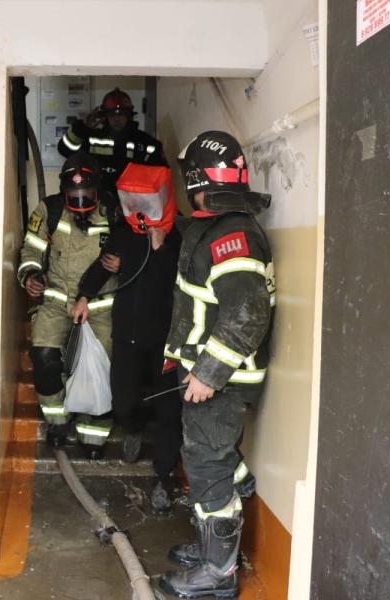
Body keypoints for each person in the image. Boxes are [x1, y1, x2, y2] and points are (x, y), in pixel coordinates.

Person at [159, 131, 276, 598]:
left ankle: (218, 574)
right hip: (209, 372)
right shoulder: (218, 226)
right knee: (206, 455)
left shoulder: (232, 235)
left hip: (221, 379)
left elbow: (248, 312)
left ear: (194, 181)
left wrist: (209, 372)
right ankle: (213, 544)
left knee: (207, 463)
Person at [72, 163, 184, 514]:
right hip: (127, 334)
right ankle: (133, 428)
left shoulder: (178, 236)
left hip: (165, 339)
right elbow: (101, 266)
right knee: (123, 399)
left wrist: (160, 248)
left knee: (168, 409)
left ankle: (163, 476)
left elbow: (181, 281)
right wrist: (84, 295)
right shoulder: (123, 233)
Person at [17, 152, 116, 460]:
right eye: (74, 194)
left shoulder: (114, 210)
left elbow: (132, 248)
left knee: (101, 367)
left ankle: (93, 432)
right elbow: (31, 248)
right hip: (57, 301)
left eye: (86, 193)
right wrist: (31, 275)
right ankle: (58, 421)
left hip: (101, 306)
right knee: (44, 356)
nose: (80, 200)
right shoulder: (50, 210)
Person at [58, 88, 167, 194]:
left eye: (121, 114)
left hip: (132, 201)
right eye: (112, 114)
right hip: (98, 200)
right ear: (105, 116)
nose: (116, 119)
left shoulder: (145, 142)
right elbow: (65, 149)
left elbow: (161, 174)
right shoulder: (92, 138)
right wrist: (82, 128)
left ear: (129, 116)